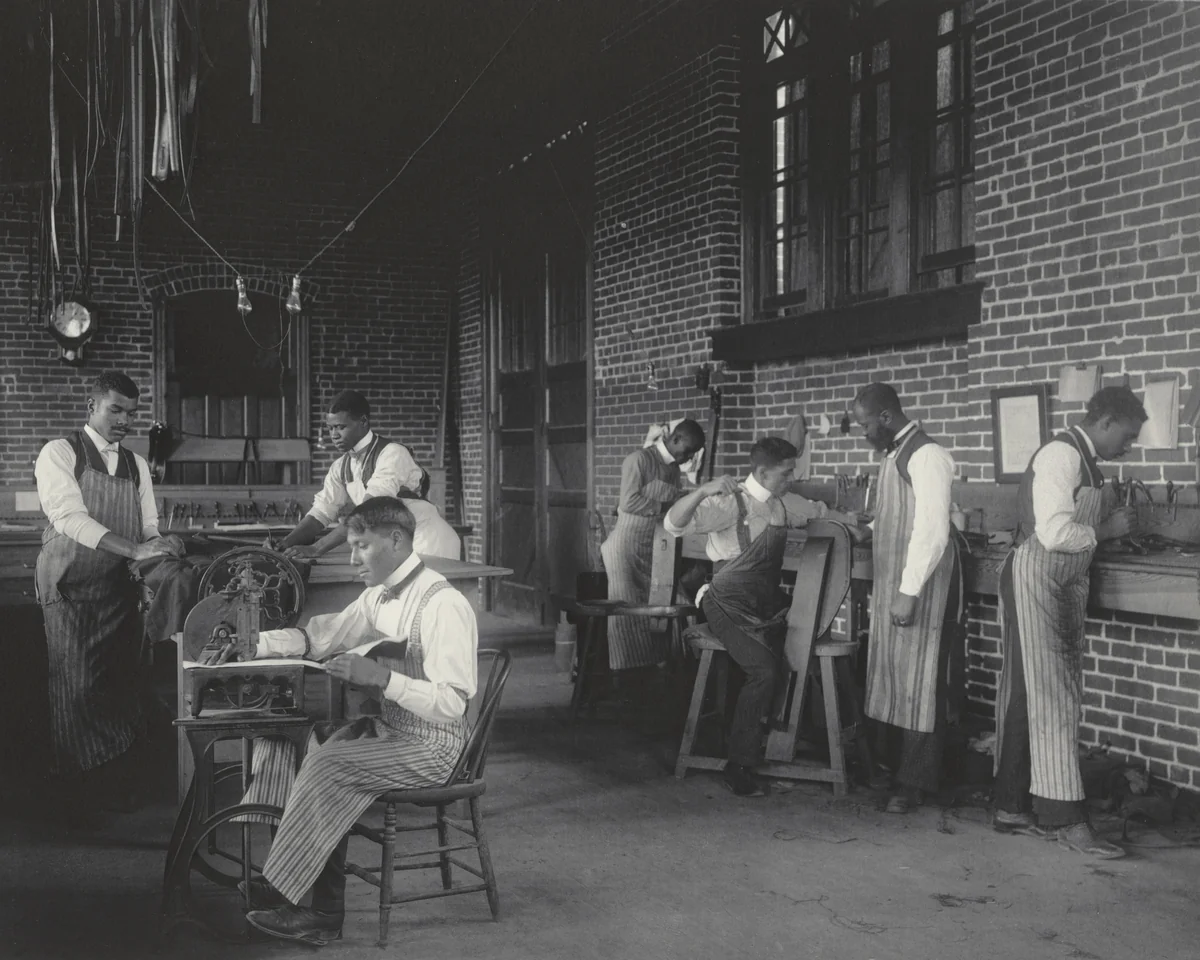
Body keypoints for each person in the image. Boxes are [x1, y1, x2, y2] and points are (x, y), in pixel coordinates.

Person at [227, 497, 478, 944]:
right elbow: (319, 638)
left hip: (434, 746)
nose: (351, 557)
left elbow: (453, 703)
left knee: (329, 766)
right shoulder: (376, 596)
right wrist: (254, 644)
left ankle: (321, 914)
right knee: (297, 740)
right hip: (393, 731)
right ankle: (284, 875)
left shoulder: (444, 604)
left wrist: (381, 677)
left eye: (361, 545)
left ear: (397, 540)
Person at [992, 386, 1145, 859]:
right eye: (1128, 434)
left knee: (1029, 694)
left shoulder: (1086, 461)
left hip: (1059, 583)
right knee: (1055, 695)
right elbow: (1055, 533)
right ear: (1104, 422)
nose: (1130, 444)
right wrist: (1106, 531)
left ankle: (1012, 806)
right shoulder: (1062, 455)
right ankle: (1066, 820)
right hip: (1038, 576)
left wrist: (1109, 535)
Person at [664, 436, 848, 798]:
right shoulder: (730, 503)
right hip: (725, 602)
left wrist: (856, 526)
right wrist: (702, 492)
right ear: (762, 472)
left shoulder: (781, 502)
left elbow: (819, 512)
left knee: (795, 652)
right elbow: (673, 523)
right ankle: (739, 765)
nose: (792, 478)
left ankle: (778, 740)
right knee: (763, 669)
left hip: (761, 604)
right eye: (786, 472)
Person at [34, 371, 182, 800]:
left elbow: (149, 527)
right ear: (92, 407)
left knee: (122, 685)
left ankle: (114, 788)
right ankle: (76, 794)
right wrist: (134, 551)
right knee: (75, 689)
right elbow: (68, 518)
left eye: (131, 414)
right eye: (115, 410)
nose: (124, 421)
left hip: (119, 590)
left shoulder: (136, 466)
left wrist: (159, 546)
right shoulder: (60, 453)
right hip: (71, 589)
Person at [852, 382, 958, 815]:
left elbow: (933, 530)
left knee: (921, 683)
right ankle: (895, 771)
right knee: (896, 678)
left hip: (921, 584)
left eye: (864, 425)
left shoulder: (927, 455)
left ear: (885, 417)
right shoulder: (895, 454)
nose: (863, 433)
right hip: (896, 580)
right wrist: (868, 531)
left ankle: (915, 783)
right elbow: (898, 514)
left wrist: (909, 592)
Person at [275, 390, 432, 559]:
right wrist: (285, 543)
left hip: (425, 539)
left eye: (341, 427)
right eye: (330, 428)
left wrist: (316, 548)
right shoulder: (340, 467)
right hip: (394, 542)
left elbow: (369, 510)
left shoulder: (392, 453)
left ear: (363, 421)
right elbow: (321, 512)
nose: (334, 435)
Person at [600, 418, 705, 671]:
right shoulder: (639, 460)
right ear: (675, 439)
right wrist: (670, 505)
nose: (689, 457)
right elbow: (628, 503)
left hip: (653, 549)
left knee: (672, 604)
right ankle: (623, 678)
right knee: (626, 614)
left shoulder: (673, 470)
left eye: (693, 453)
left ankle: (663, 670)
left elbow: (672, 508)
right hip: (624, 549)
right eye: (688, 450)